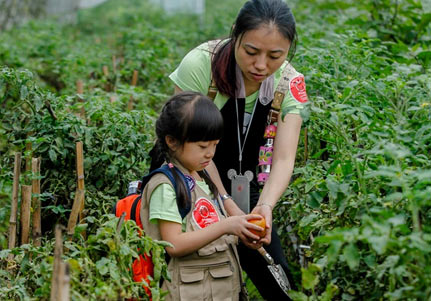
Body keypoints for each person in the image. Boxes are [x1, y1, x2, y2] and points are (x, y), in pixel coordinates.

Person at [168, 0, 308, 299]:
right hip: (193, 183)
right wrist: (225, 202)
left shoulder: (288, 83)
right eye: (251, 51)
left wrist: (265, 207)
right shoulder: (201, 65)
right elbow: (188, 148)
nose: (261, 65)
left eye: (275, 56)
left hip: (251, 185)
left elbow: (283, 158)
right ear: (235, 35)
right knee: (198, 278)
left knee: (278, 282)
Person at [141, 91, 264, 300]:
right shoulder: (165, 186)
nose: (210, 153)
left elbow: (207, 230)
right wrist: (227, 225)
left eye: (215, 145)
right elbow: (174, 244)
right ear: (172, 141)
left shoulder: (203, 178)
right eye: (202, 146)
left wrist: (241, 232)